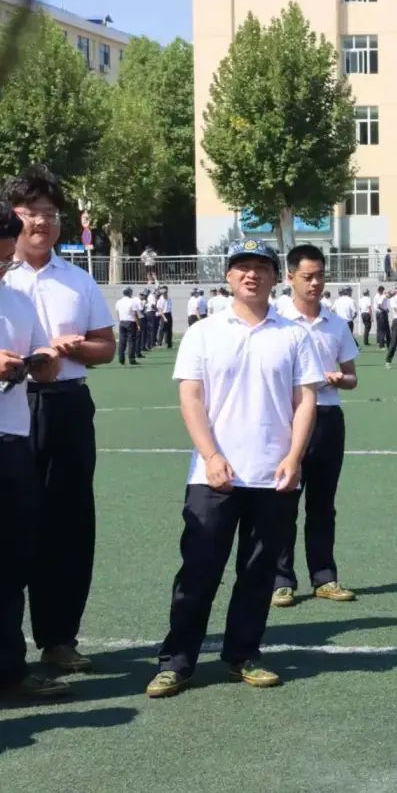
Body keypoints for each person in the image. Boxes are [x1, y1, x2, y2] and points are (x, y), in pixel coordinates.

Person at [145, 239, 322, 698]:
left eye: (261, 267)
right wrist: (210, 455)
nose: (251, 275)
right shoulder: (204, 332)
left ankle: (243, 654)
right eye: (242, 267)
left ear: (275, 277)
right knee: (198, 571)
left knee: (258, 573)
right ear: (227, 276)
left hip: (273, 475)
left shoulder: (293, 335)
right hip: (213, 476)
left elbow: (305, 401)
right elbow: (191, 397)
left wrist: (294, 458)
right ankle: (176, 661)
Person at [3, 165, 117, 673]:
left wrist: (75, 349)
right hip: (11, 407)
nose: (42, 222)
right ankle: (8, 650)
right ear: (13, 216)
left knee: (68, 524)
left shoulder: (77, 279)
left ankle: (59, 639)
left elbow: (106, 346)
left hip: (67, 405)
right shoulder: (3, 275)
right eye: (32, 212)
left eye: (50, 213)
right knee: (13, 525)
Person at [0, 202, 66, 698]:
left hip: (14, 443)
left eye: (6, 259)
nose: (2, 268)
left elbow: (46, 360)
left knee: (12, 563)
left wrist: (43, 362)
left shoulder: (17, 300)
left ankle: (10, 672)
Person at [271, 245, 358, 609]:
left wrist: (339, 378)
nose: (315, 283)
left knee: (323, 504)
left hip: (328, 418)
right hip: (288, 419)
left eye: (320, 276)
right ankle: (280, 579)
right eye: (307, 277)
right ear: (290, 277)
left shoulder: (335, 323)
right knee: (284, 502)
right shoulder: (276, 320)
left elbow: (352, 378)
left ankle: (324, 577)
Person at [115, 287, 141, 366]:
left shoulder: (119, 302)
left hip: (122, 322)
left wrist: (120, 320)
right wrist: (138, 324)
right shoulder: (132, 301)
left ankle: (121, 359)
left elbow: (117, 312)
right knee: (131, 341)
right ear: (130, 293)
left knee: (122, 341)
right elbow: (135, 314)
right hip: (130, 322)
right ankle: (131, 359)